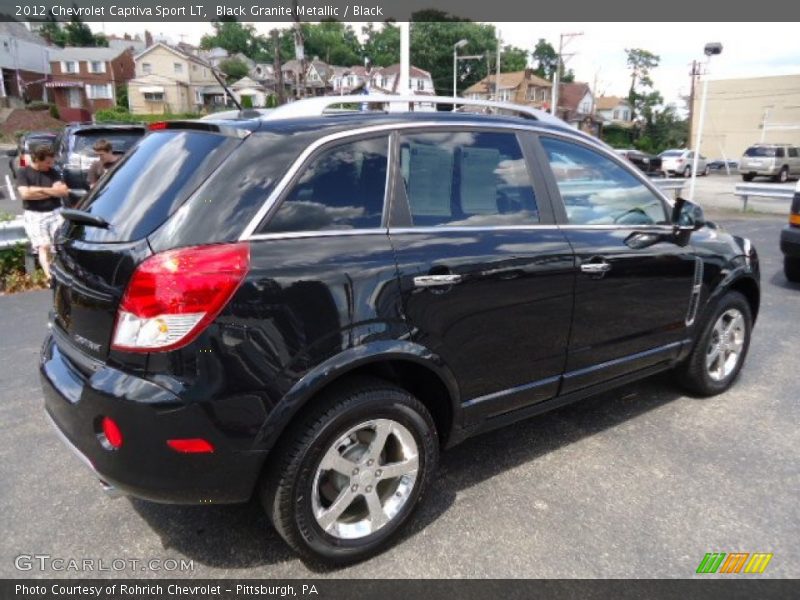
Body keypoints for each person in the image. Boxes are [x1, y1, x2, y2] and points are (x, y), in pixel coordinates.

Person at [17, 145, 69, 282]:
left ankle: (61, 272)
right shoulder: (24, 172)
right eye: (47, 162)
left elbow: (63, 191)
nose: (50, 165)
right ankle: (50, 277)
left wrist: (38, 190)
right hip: (35, 214)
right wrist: (51, 191)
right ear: (37, 160)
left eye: (52, 162)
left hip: (55, 212)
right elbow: (25, 194)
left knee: (60, 244)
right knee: (44, 245)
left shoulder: (53, 172)